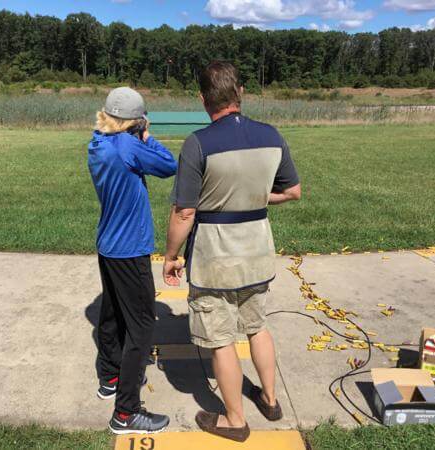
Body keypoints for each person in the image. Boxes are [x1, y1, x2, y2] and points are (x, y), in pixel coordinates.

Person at [163, 62, 301, 442]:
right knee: (258, 326)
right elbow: (292, 191)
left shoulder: (197, 143)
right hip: (258, 253)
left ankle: (235, 420)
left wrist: (171, 255)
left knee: (221, 339)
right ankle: (270, 400)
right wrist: (256, 198)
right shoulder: (271, 136)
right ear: (240, 92)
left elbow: (185, 212)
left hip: (215, 259)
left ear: (202, 98)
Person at [88, 87, 177, 435]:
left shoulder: (99, 142)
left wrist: (136, 135)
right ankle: (126, 413)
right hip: (129, 249)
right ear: (135, 121)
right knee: (141, 327)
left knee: (112, 316)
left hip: (109, 244)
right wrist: (148, 137)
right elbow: (168, 165)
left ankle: (110, 377)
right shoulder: (128, 146)